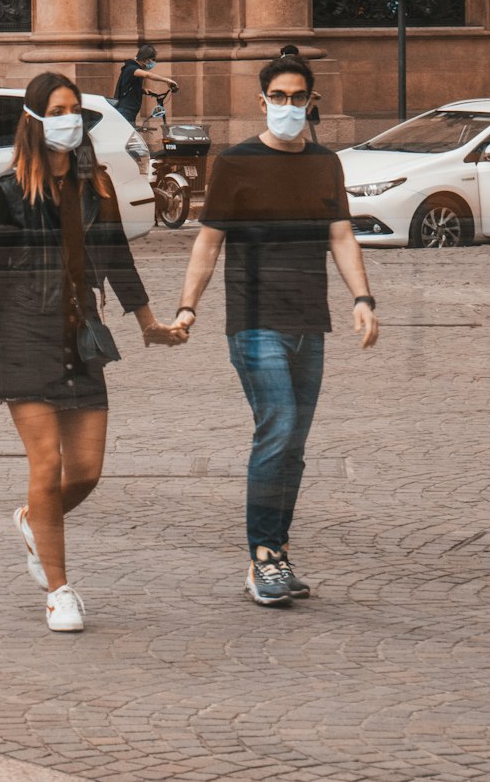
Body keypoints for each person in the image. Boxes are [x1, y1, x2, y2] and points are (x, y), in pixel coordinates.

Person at [0, 71, 184, 633]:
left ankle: (34, 520)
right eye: (57, 109)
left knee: (86, 471)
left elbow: (116, 259)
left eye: (73, 110)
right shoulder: (8, 190)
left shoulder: (96, 182)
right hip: (24, 336)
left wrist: (148, 322)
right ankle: (60, 591)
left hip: (81, 336)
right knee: (48, 463)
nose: (68, 120)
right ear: (34, 121)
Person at [172, 55, 380, 607]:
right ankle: (262, 557)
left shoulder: (324, 163)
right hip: (254, 318)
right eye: (279, 97)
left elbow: (341, 236)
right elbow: (209, 241)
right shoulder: (236, 163)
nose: (289, 106)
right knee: (279, 426)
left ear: (312, 101)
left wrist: (362, 298)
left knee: (293, 445)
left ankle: (277, 551)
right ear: (262, 100)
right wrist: (188, 308)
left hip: (310, 319)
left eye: (298, 97)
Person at [113, 44, 178, 125]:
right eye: (153, 59)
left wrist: (142, 90)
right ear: (145, 59)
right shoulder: (131, 68)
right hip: (124, 111)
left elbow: (128, 87)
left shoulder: (133, 68)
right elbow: (148, 75)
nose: (154, 62)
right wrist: (167, 80)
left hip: (129, 111)